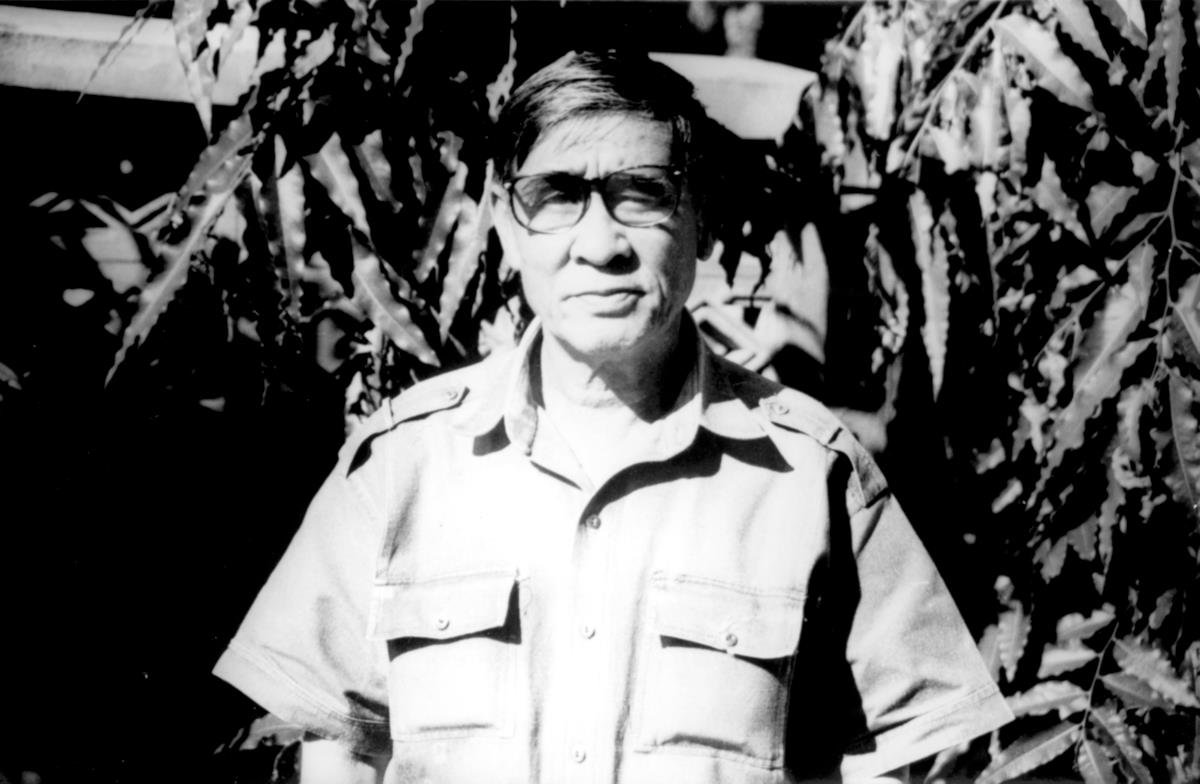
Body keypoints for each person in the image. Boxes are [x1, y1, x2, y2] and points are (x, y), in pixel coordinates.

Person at [213, 50, 1012, 784]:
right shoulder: (402, 463)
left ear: (700, 216)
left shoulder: (811, 474)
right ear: (506, 224)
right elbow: (340, 749)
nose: (600, 245)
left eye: (643, 193)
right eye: (557, 196)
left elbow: (901, 761)